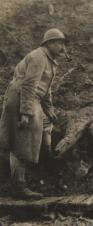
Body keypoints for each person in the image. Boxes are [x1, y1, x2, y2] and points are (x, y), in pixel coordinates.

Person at [0, 28, 66, 199]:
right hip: (21, 98)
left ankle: (48, 158)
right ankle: (19, 186)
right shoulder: (38, 57)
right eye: (59, 42)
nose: (62, 46)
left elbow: (46, 88)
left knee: (44, 127)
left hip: (32, 99)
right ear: (49, 43)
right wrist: (26, 113)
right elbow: (29, 85)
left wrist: (49, 108)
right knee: (22, 141)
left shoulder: (50, 61)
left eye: (63, 42)